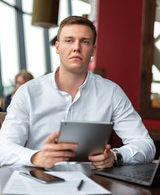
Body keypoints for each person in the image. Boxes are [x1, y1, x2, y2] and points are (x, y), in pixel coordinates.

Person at [0, 16, 155, 168]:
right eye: (69, 40)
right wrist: (36, 157)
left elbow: (146, 145)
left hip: (94, 183)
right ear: (58, 47)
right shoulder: (27, 92)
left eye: (85, 41)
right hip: (39, 182)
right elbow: (3, 150)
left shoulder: (111, 92)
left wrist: (115, 156)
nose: (76, 47)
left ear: (93, 50)